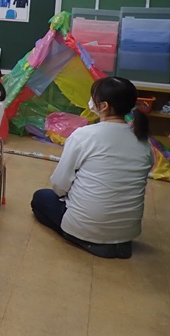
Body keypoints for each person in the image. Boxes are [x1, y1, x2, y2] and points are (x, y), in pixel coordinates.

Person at [31, 77, 152, 259]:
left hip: (87, 227)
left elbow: (59, 185)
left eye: (92, 97)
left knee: (40, 198)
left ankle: (85, 240)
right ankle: (114, 242)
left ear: (103, 106)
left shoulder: (84, 135)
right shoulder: (143, 140)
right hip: (128, 233)